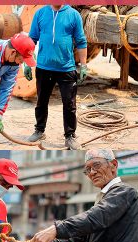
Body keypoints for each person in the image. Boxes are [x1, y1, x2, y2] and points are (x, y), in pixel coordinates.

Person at [32, 150, 138, 242]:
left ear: (113, 165)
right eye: (88, 169)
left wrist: (55, 229)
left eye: (96, 165)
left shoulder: (125, 192)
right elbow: (79, 239)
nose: (92, 172)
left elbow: (94, 217)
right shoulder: (104, 198)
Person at [26, 5, 88, 150]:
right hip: (43, 67)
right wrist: (27, 64)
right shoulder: (40, 13)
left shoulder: (73, 15)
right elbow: (31, 40)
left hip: (66, 68)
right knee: (41, 101)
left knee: (69, 104)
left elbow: (81, 41)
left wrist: (84, 65)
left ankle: (70, 136)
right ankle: (39, 130)